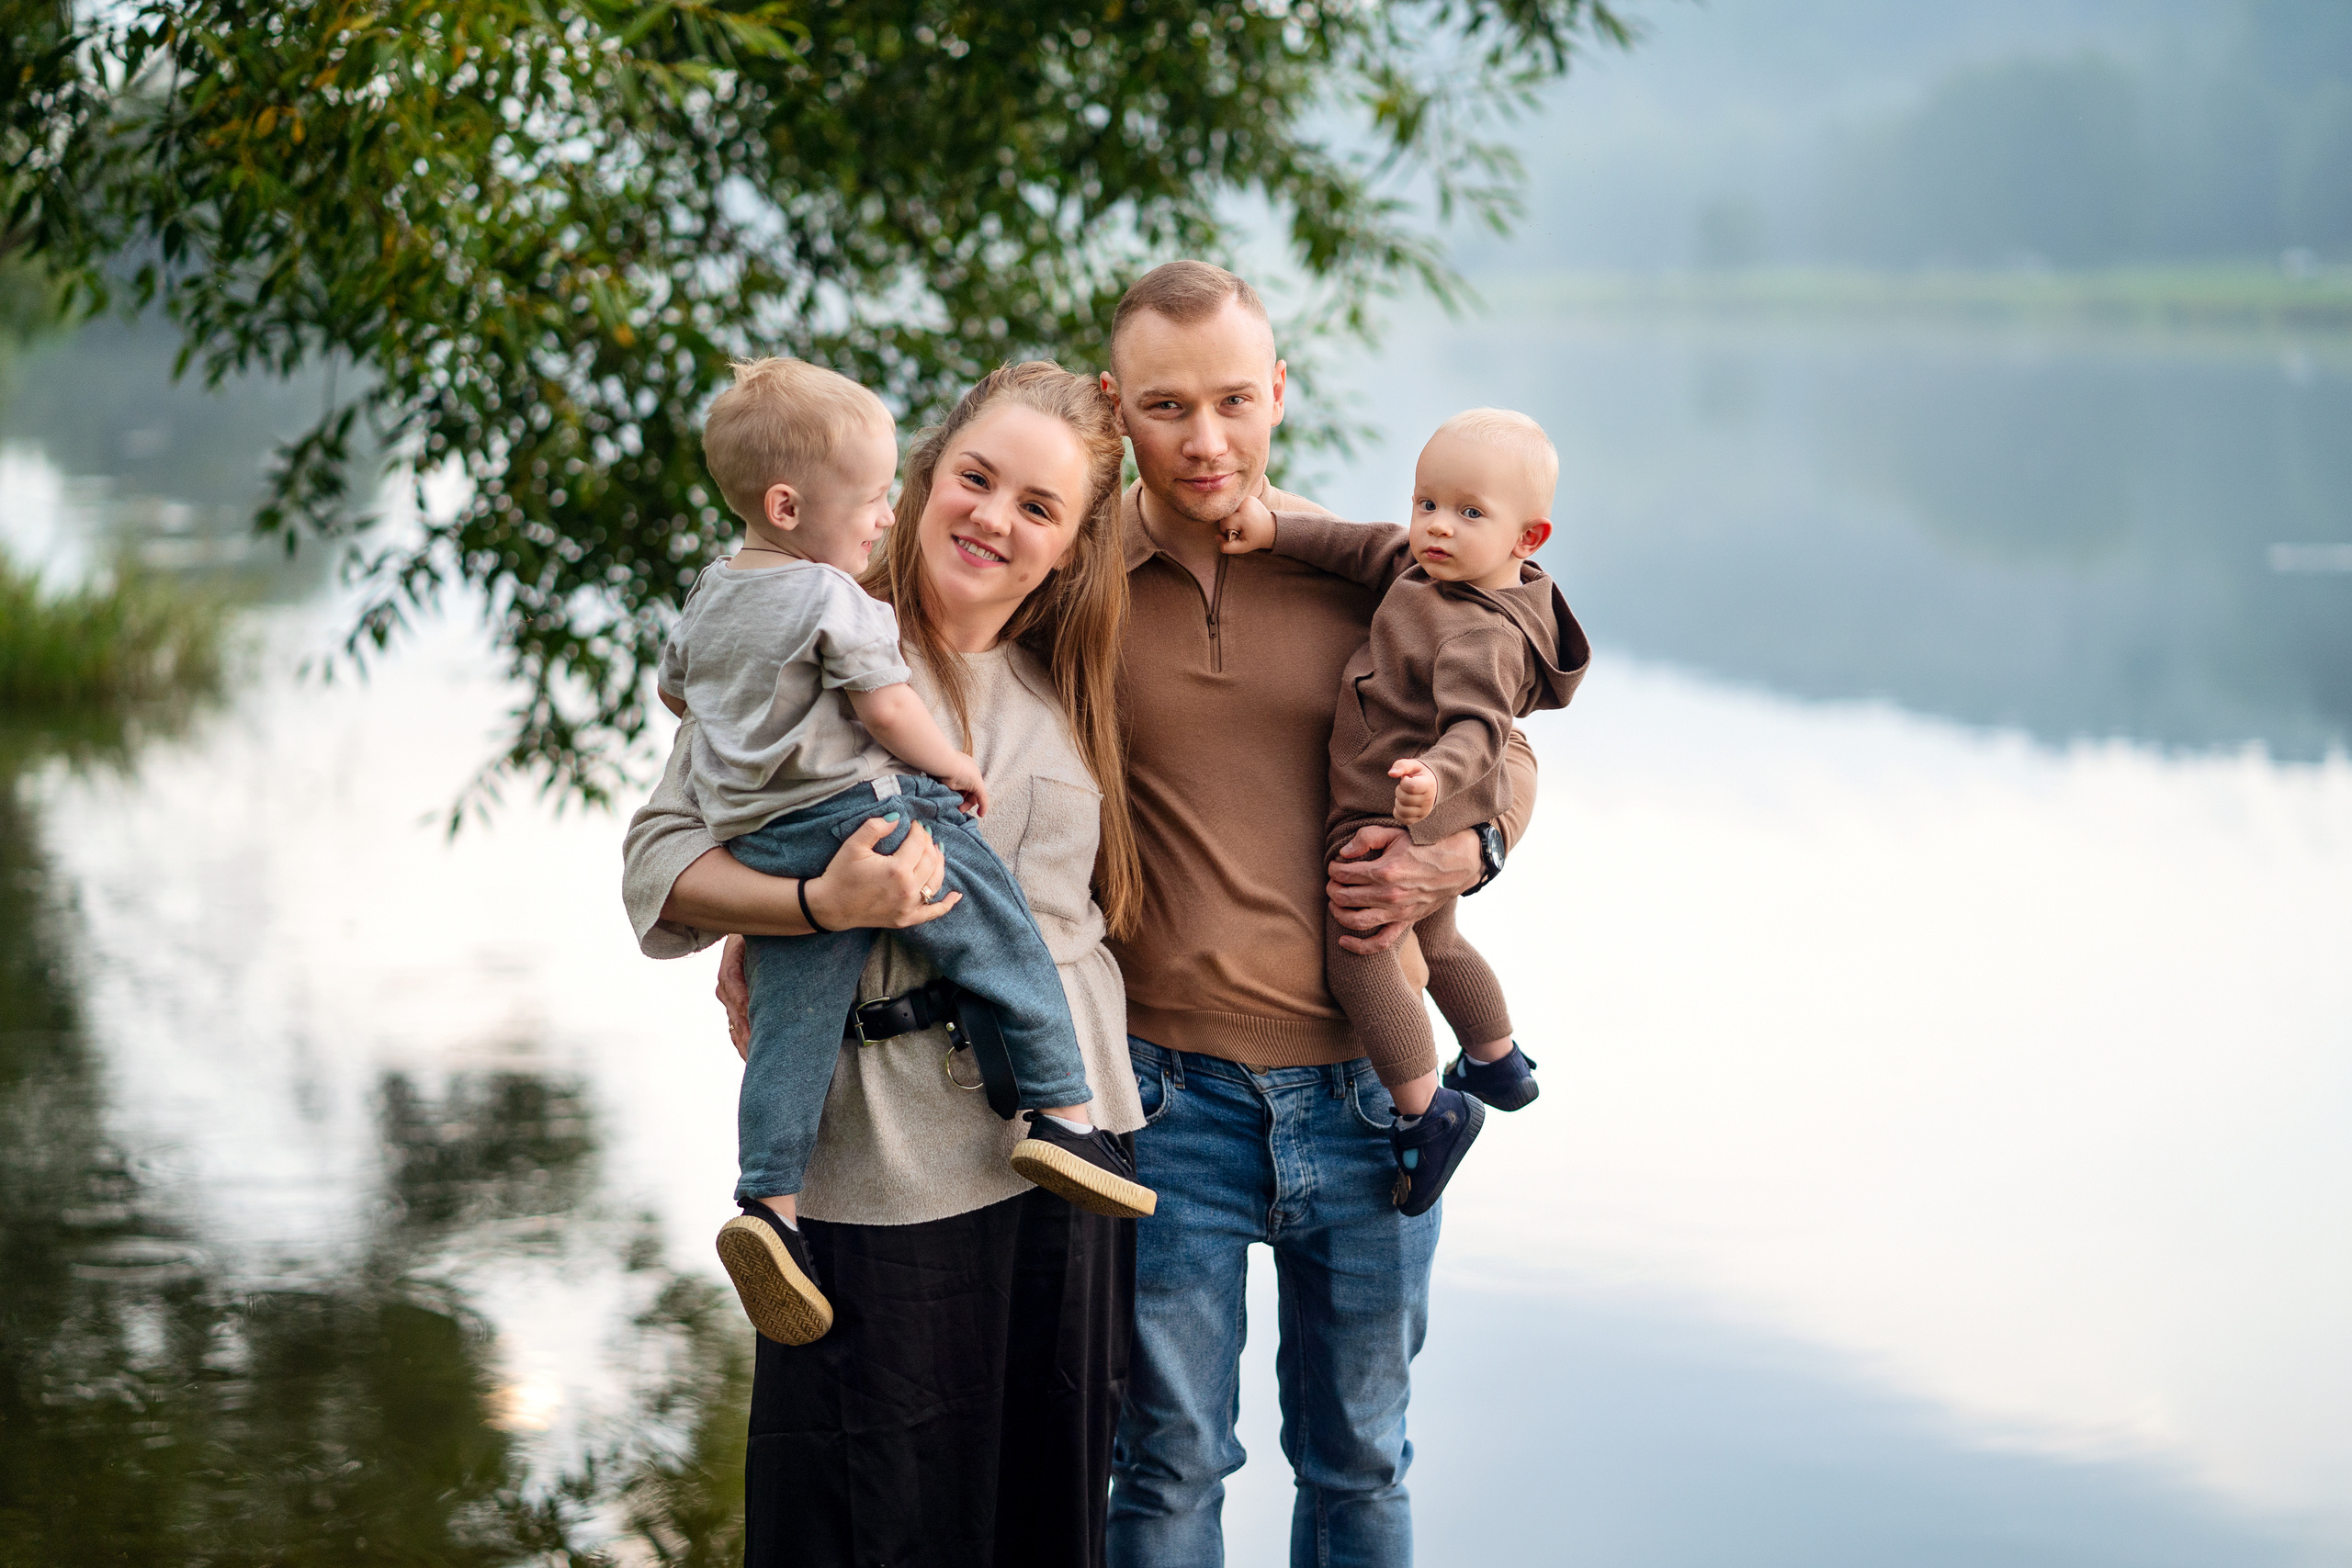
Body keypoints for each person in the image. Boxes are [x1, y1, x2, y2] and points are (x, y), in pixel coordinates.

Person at [621, 361, 1147, 1567]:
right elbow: (658, 862)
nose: (994, 518)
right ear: (918, 481)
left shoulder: (1079, 673)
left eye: (1037, 506)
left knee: (1045, 1517)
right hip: (879, 1169)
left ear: (1070, 546)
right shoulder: (809, 630)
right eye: (976, 477)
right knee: (861, 1522)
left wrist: (1468, 834)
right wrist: (807, 902)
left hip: (1071, 1159)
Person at [1098, 261, 1542, 1566]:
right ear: (1118, 409)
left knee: (1360, 1465)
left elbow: (1505, 737)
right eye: (1169, 406)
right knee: (1166, 1465)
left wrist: (1467, 850)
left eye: (1236, 399)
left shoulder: (1380, 572)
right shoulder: (1068, 580)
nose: (1207, 439)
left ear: (1279, 391)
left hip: (1370, 1102)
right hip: (1164, 1101)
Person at [1214, 407, 1589, 1216]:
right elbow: (1356, 545)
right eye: (1428, 503)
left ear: (1531, 538)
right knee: (1439, 939)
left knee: (1360, 943)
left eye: (1469, 513)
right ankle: (1496, 1060)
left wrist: (1431, 779)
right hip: (1416, 797)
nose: (1435, 528)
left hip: (1400, 806)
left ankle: (1429, 1111)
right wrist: (1272, 531)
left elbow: (1482, 730)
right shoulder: (1425, 571)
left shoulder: (1479, 635)